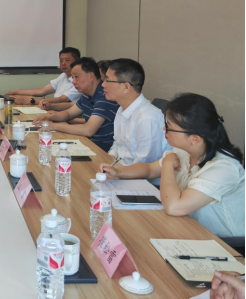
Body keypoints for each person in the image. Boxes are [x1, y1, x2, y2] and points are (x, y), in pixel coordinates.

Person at [101, 93, 245, 238]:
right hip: (185, 226)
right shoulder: (185, 151)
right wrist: (119, 172)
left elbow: (174, 207)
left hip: (221, 242)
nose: (164, 129)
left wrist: (168, 164)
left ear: (194, 139)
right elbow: (149, 169)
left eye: (169, 127)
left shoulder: (223, 168)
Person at [33, 57, 120, 152]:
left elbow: (88, 130)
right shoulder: (87, 94)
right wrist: (49, 117)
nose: (73, 82)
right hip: (88, 143)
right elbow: (68, 114)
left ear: (91, 76)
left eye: (76, 77)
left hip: (101, 151)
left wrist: (53, 126)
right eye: (72, 77)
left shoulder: (105, 96)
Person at [103, 59, 171, 168]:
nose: (103, 84)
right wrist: (108, 162)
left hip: (138, 176)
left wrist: (117, 172)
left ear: (126, 87)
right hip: (120, 170)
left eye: (107, 80)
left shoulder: (147, 118)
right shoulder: (121, 109)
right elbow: (118, 144)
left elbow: (143, 167)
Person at [5, 47, 82, 108]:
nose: (63, 63)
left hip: (69, 115)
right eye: (61, 60)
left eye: (67, 60)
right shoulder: (63, 76)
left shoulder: (79, 81)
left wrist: (32, 100)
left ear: (77, 61)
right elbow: (41, 91)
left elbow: (62, 99)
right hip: (55, 110)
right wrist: (15, 92)